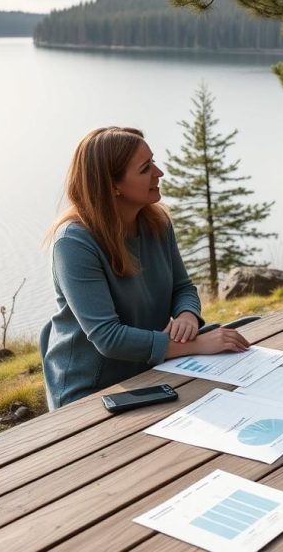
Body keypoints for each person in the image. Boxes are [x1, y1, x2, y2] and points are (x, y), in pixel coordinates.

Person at [40, 127, 249, 409]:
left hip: (156, 369)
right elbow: (108, 338)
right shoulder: (73, 243)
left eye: (153, 162)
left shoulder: (156, 222)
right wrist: (196, 345)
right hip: (92, 390)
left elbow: (182, 287)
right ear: (112, 185)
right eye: (145, 168)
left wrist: (187, 315)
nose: (158, 172)